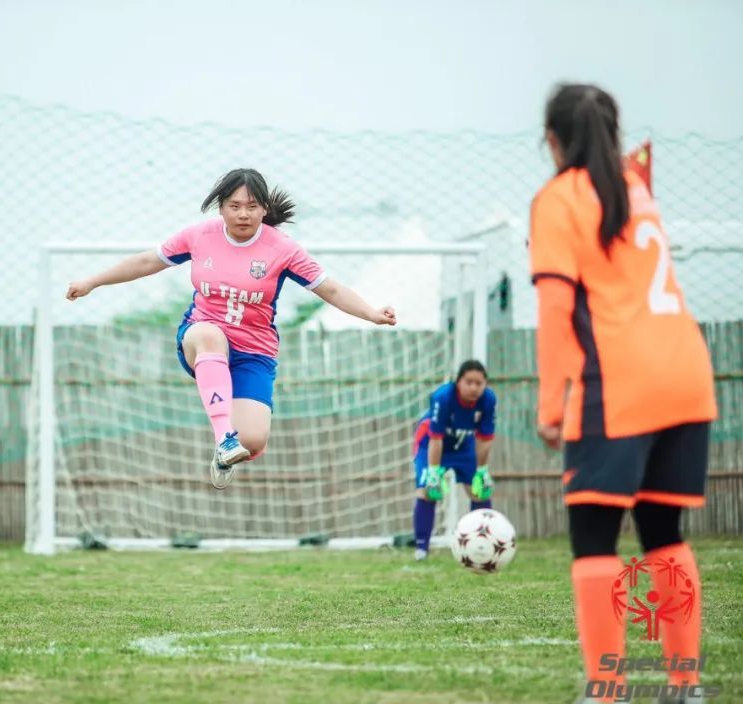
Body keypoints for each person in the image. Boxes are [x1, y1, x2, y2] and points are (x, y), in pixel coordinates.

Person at [531, 84, 716, 704]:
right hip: (686, 373)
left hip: (619, 380)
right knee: (664, 532)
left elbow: (557, 310)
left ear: (552, 139)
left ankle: (607, 698)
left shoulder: (560, 196)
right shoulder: (635, 188)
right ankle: (685, 688)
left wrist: (550, 404)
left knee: (594, 536)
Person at [67, 168, 397, 488]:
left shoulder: (283, 249)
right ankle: (224, 437)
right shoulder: (199, 236)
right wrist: (92, 281)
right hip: (201, 337)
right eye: (234, 206)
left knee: (251, 441)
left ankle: (227, 452)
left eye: (251, 206)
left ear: (264, 209)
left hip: (253, 352)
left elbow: (331, 289)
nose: (243, 214)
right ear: (221, 207)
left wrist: (371, 313)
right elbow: (146, 261)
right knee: (209, 334)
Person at [410, 359, 496, 560]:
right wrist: (434, 472)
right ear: (458, 382)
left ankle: (482, 545)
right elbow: (436, 438)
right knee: (427, 491)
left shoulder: (488, 400)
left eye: (479, 383)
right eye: (469, 382)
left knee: (480, 491)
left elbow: (484, 439)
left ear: (485, 384)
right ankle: (421, 548)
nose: (474, 388)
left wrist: (482, 470)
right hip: (431, 443)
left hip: (463, 444)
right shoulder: (443, 397)